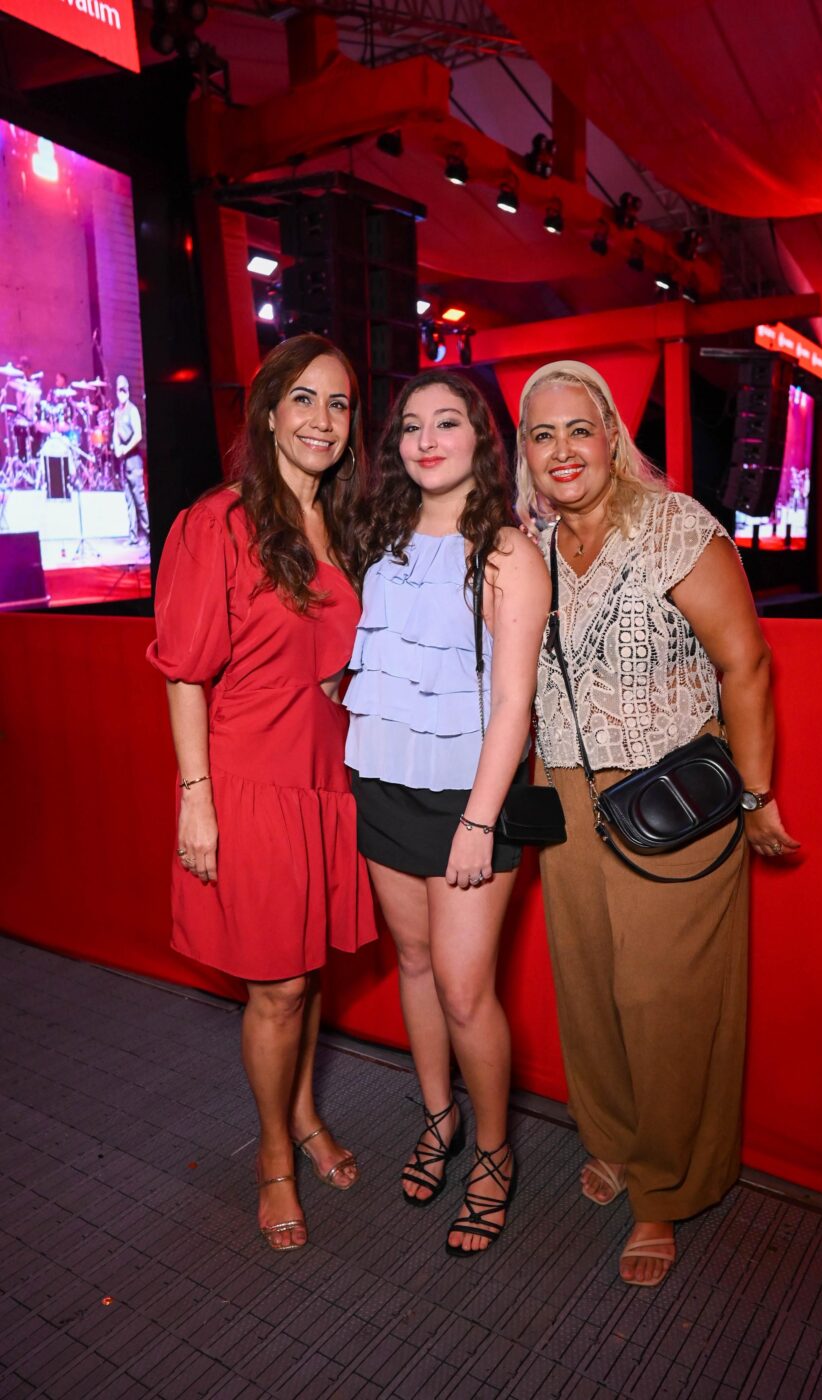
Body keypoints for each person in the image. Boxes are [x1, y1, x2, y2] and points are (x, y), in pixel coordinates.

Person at [516, 360, 800, 1287]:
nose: (561, 451)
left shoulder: (674, 525)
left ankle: (664, 1191)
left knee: (666, 1006)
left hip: (671, 805)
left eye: (576, 429)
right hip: (564, 798)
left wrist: (755, 798)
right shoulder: (531, 545)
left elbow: (746, 665)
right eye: (540, 435)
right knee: (590, 994)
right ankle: (617, 1141)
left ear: (610, 435)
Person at [148, 334, 378, 1252]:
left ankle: (310, 1116)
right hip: (249, 782)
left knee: (309, 967)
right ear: (270, 412)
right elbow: (182, 673)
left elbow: (334, 652)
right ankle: (275, 1154)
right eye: (307, 401)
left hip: (326, 777)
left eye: (342, 404)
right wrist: (194, 798)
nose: (325, 421)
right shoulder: (219, 522)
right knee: (277, 987)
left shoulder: (344, 527)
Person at [345, 369, 549, 1256]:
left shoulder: (507, 551)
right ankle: (440, 1119)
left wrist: (477, 821)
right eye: (411, 426)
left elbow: (512, 707)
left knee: (468, 993)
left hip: (472, 800)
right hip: (382, 781)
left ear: (480, 439)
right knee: (417, 967)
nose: (426, 439)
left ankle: (495, 1155)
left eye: (448, 423)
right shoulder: (379, 541)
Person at [112, 374, 149, 547]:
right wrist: (117, 446)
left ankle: (149, 536)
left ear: (127, 391)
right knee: (129, 501)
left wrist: (125, 449)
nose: (121, 394)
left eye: (124, 390)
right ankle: (133, 536)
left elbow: (138, 435)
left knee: (139, 499)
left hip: (134, 460)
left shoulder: (132, 410)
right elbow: (115, 433)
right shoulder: (117, 412)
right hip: (123, 462)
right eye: (119, 391)